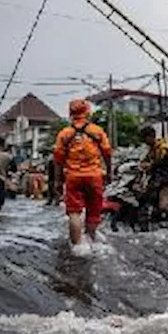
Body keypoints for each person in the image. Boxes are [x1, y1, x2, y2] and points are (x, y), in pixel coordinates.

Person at [52, 99, 113, 246]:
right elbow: (107, 153)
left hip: (73, 177)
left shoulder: (65, 134)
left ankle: (77, 247)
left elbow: (58, 160)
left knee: (74, 213)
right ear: (87, 112)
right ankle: (91, 243)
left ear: (70, 113)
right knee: (93, 212)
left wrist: (58, 181)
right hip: (94, 177)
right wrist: (109, 172)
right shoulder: (97, 131)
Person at [138, 125, 168, 226]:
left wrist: (151, 166)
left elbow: (163, 164)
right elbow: (145, 161)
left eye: (144, 138)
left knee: (163, 206)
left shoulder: (163, 149)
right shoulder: (152, 149)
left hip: (166, 183)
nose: (144, 141)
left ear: (150, 136)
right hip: (156, 181)